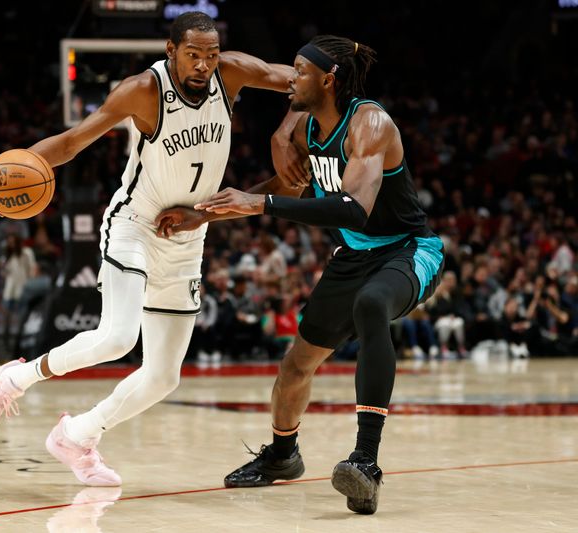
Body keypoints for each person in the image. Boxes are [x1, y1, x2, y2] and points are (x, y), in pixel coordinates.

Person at [0, 11, 295, 486]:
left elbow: (299, 83)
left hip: (188, 236)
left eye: (211, 55)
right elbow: (75, 141)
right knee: (118, 337)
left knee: (163, 377)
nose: (203, 65)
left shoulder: (233, 73)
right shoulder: (142, 90)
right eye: (193, 55)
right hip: (135, 225)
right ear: (171, 50)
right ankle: (10, 381)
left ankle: (77, 435)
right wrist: (10, 168)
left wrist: (309, 113)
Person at [157, 35, 444, 514]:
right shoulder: (309, 125)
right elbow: (280, 187)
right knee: (296, 365)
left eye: (299, 71)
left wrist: (262, 203)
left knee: (371, 304)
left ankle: (365, 463)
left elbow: (352, 209)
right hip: (353, 257)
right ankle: (283, 454)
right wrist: (204, 213)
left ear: (328, 79)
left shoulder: (369, 123)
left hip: (407, 251)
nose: (291, 78)